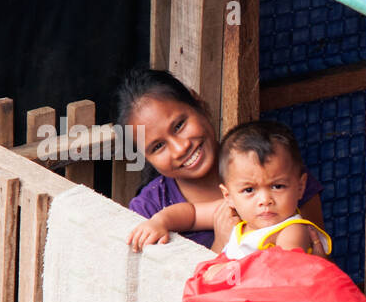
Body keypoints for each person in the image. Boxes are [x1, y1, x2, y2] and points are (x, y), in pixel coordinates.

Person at [115, 67, 323, 251]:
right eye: (158, 146)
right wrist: (221, 244)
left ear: (199, 104)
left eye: (179, 125)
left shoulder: (274, 171)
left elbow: (323, 261)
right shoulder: (148, 211)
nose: (180, 148)